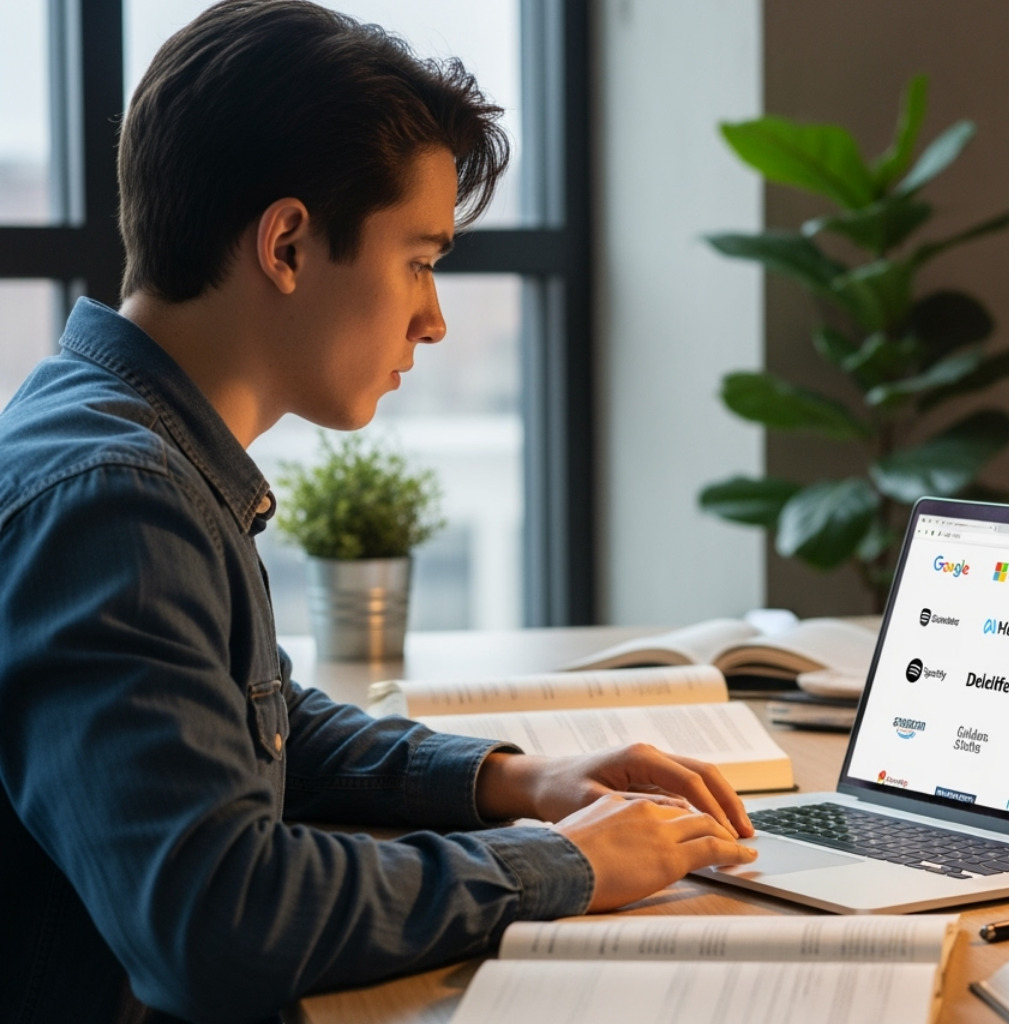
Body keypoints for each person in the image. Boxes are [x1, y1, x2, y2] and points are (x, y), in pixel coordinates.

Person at [0, 2, 757, 1021]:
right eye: (421, 259)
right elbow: (216, 922)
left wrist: (520, 781)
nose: (435, 320)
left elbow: (251, 726)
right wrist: (554, 865)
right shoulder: (119, 499)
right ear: (288, 244)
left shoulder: (114, 435)